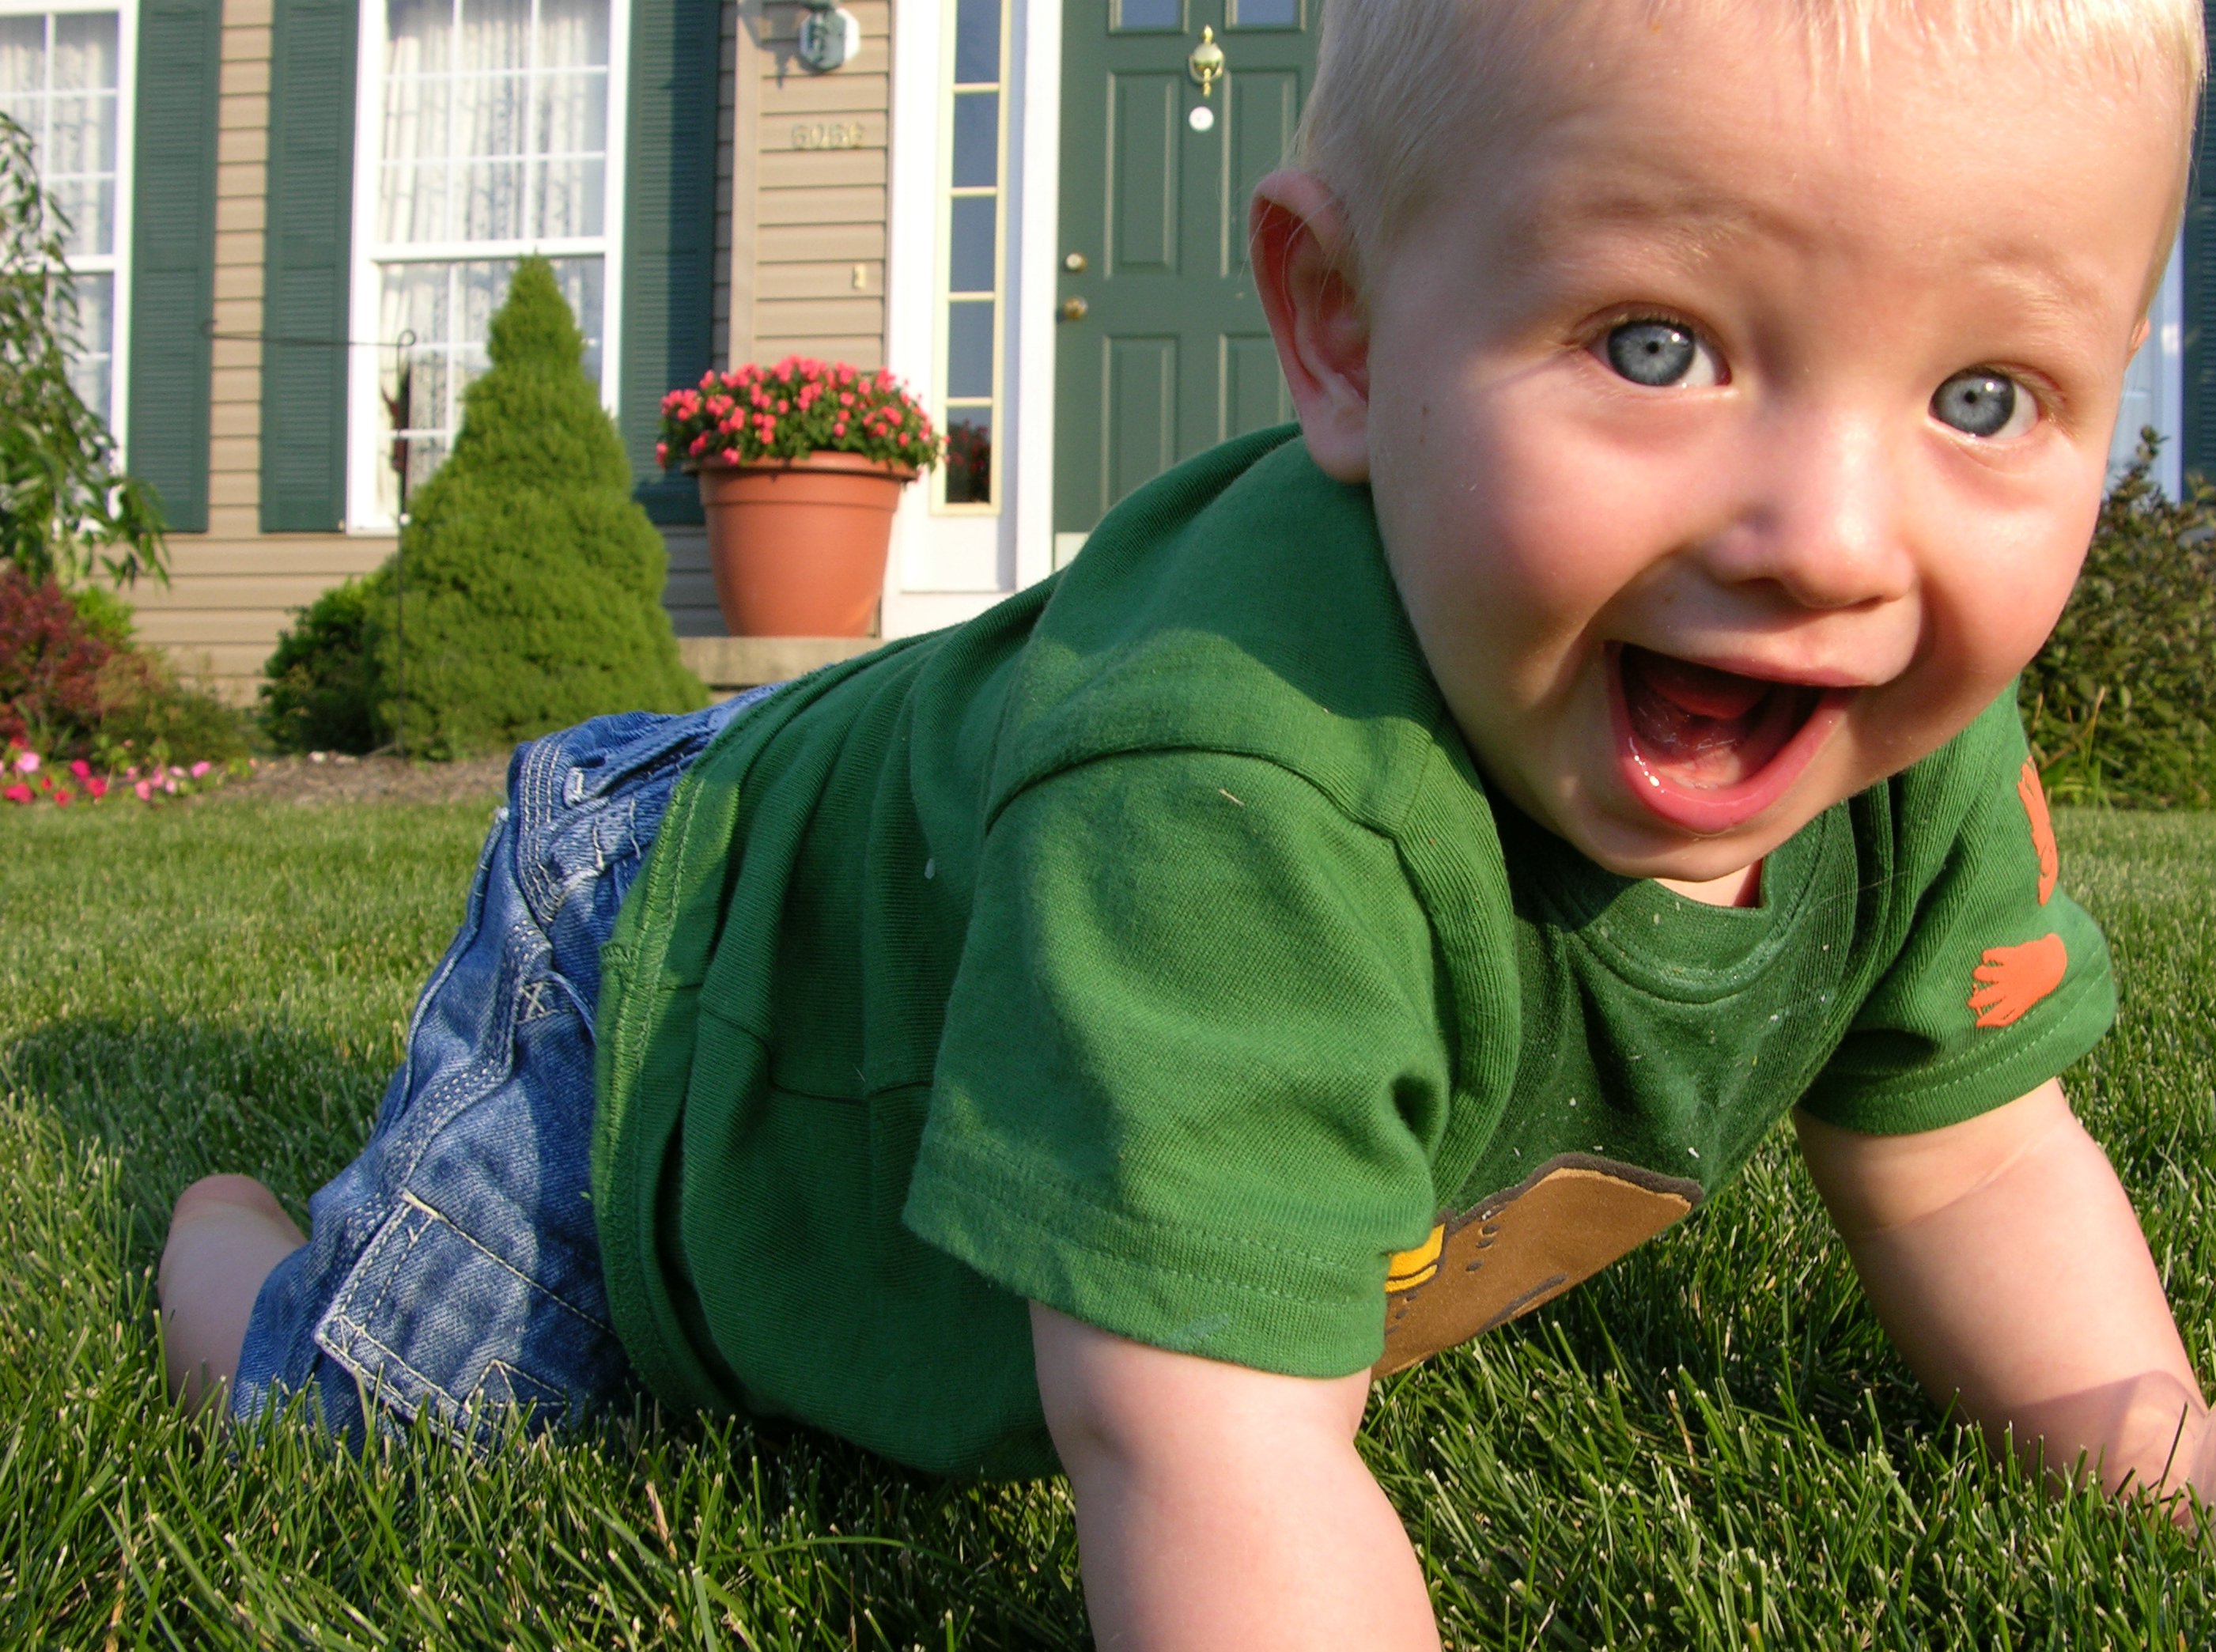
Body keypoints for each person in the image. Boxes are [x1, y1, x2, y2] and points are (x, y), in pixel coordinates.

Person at [161, 1, 2210, 1644]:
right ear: (1341, 332)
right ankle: (226, 1243)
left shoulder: (1905, 720)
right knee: (383, 1433)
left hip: (957, 863)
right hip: (681, 954)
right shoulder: (1233, 786)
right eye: (1656, 348)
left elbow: (1968, 1159)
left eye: (1980, 397)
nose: (1829, 540)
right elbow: (1205, 1444)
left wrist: (2159, 1476)